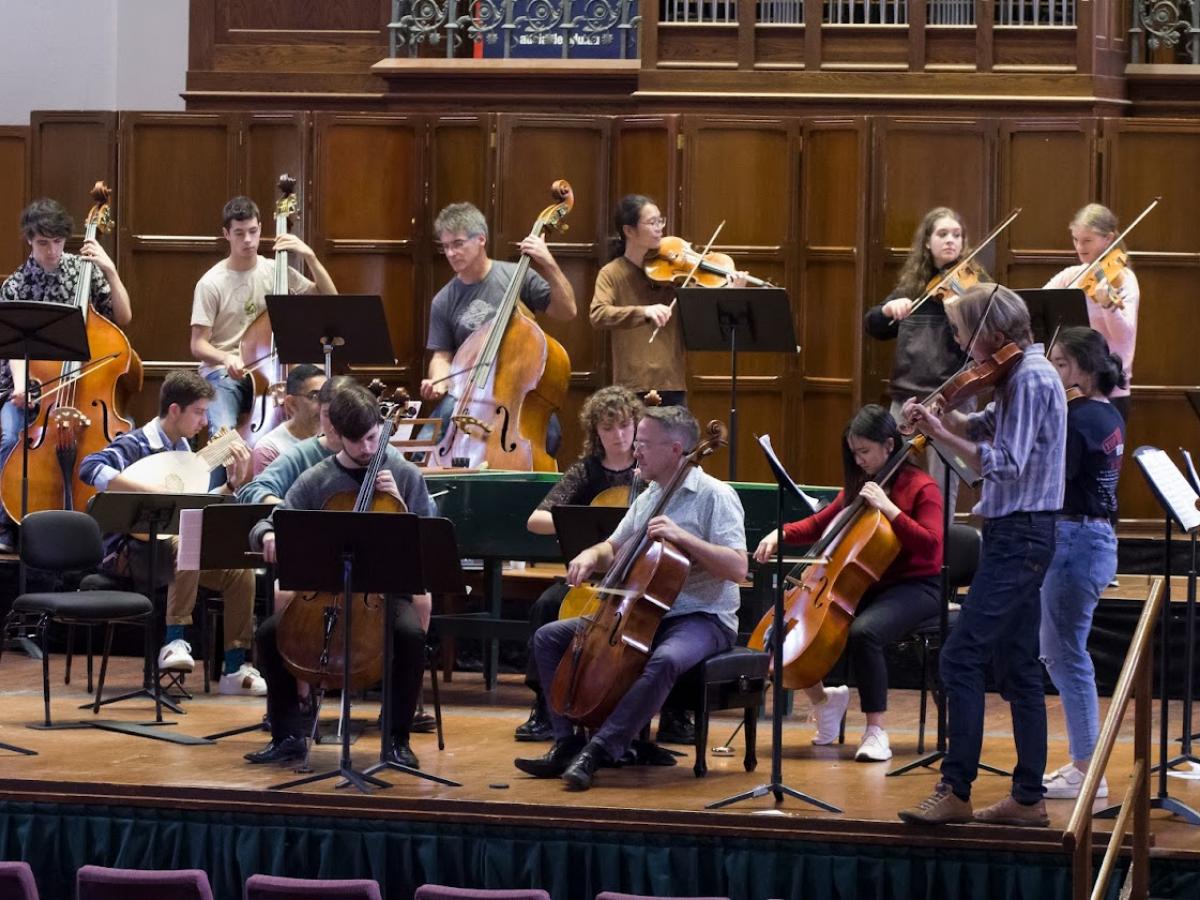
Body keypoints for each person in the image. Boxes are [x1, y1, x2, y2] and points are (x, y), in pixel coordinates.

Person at [897, 284, 1065, 827]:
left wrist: (943, 432)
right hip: (1015, 532)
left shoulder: (1033, 376)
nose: (960, 342)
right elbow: (987, 427)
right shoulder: (1016, 375)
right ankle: (1028, 799)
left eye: (964, 331)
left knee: (960, 656)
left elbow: (1007, 464)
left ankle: (956, 788)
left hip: (1022, 534)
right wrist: (940, 417)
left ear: (992, 330)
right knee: (1017, 665)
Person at [514, 405, 747, 791]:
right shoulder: (650, 494)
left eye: (644, 443)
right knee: (550, 637)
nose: (635, 450)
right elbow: (614, 545)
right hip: (643, 613)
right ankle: (568, 744)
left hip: (703, 616)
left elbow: (738, 568)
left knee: (666, 658)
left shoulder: (715, 496)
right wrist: (592, 554)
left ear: (675, 449)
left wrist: (683, 537)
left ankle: (602, 749)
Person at [246, 382, 437, 768]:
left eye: (371, 438)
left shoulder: (403, 472)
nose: (367, 449)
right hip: (327, 590)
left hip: (386, 592)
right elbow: (267, 522)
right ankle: (287, 736)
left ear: (380, 428)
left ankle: (397, 740)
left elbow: (432, 539)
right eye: (356, 441)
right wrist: (268, 533)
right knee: (269, 635)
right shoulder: (317, 478)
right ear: (337, 436)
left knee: (410, 636)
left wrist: (400, 505)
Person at [754, 404, 943, 763]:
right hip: (869, 585)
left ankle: (875, 731)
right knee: (793, 627)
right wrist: (780, 534)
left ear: (890, 445)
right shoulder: (861, 485)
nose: (858, 461)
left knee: (864, 632)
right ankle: (825, 703)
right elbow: (822, 524)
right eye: (854, 453)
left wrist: (889, 509)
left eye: (865, 452)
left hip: (917, 587)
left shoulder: (922, 487)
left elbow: (932, 546)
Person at [515, 386, 691, 745]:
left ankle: (675, 712)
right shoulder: (586, 472)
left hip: (642, 578)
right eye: (608, 428)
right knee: (547, 605)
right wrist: (583, 524)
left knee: (667, 619)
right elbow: (535, 520)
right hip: (592, 574)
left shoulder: (651, 472)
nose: (619, 436)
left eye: (626, 427)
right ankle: (545, 707)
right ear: (595, 432)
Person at [78, 369, 264, 695]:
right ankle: (174, 640)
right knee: (188, 538)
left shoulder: (187, 455)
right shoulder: (135, 443)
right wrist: (149, 493)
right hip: (128, 552)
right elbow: (90, 467)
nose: (204, 422)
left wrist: (234, 482)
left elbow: (196, 505)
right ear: (175, 410)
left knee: (239, 569)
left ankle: (235, 666)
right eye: (199, 412)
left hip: (174, 552)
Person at [0, 198, 133, 551]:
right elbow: (13, 347)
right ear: (29, 240)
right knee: (11, 434)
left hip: (84, 389)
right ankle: (6, 525)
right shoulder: (15, 286)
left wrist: (111, 271)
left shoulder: (83, 271)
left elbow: (122, 318)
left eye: (58, 242)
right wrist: (19, 386)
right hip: (30, 387)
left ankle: (106, 529)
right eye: (44, 243)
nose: (52, 250)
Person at [1040, 327, 1126, 800]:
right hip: (1090, 538)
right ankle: (1083, 764)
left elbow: (1056, 475)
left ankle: (1087, 771)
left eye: (1060, 363)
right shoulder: (1105, 412)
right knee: (1063, 653)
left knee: (1065, 655)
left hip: (1074, 540)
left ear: (1083, 370)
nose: (1054, 371)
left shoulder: (1078, 418)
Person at [418, 202, 576, 456]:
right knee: (425, 444)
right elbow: (442, 355)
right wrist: (438, 381)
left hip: (517, 389)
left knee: (549, 435)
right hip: (469, 392)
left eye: (458, 243)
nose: (451, 253)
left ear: (481, 239)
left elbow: (567, 311)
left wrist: (548, 263)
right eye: (446, 246)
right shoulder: (443, 299)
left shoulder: (516, 276)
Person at [864, 207, 991, 514]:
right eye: (942, 234)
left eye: (957, 235)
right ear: (927, 243)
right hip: (906, 395)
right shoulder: (912, 288)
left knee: (942, 484)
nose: (951, 241)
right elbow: (873, 326)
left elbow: (987, 336)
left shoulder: (972, 285)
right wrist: (888, 310)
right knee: (890, 475)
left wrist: (960, 310)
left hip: (951, 397)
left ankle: (937, 552)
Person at [189, 195, 337, 453]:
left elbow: (330, 299)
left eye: (253, 231)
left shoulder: (274, 270)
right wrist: (225, 358)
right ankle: (216, 492)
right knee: (222, 436)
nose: (247, 240)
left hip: (272, 367)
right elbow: (198, 344)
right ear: (226, 234)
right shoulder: (211, 282)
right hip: (226, 371)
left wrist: (311, 257)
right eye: (239, 233)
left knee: (318, 408)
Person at [1042, 204, 1139, 423]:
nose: (1079, 247)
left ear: (1108, 238)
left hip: (1109, 389)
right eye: (1075, 239)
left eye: (1087, 240)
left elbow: (1124, 336)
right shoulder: (1072, 275)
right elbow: (1039, 302)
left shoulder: (1124, 279)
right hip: (1071, 387)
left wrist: (1107, 306)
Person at [588, 195, 686, 407]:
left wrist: (731, 289)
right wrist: (644, 312)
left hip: (672, 383)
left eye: (661, 221)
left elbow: (701, 304)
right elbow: (598, 314)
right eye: (652, 222)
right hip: (632, 387)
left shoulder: (674, 271)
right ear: (629, 231)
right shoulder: (611, 273)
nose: (660, 228)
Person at [249, 364, 326, 476]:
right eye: (314, 396)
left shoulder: (337, 435)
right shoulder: (269, 448)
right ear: (292, 403)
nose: (324, 405)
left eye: (327, 395)